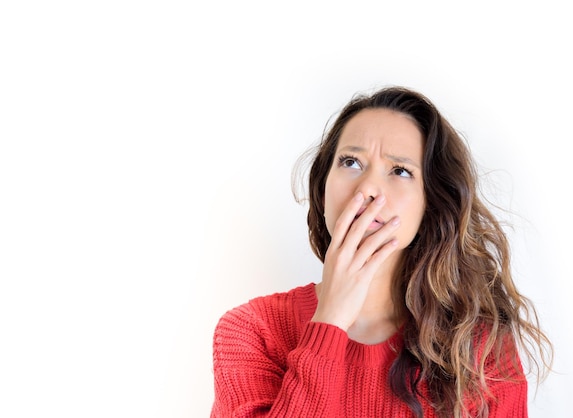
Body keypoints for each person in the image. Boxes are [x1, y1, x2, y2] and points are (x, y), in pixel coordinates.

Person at [210, 86, 553, 417]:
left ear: (429, 202)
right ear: (322, 185)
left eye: (400, 171)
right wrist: (330, 321)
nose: (369, 188)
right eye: (350, 162)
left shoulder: (479, 345)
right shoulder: (251, 330)